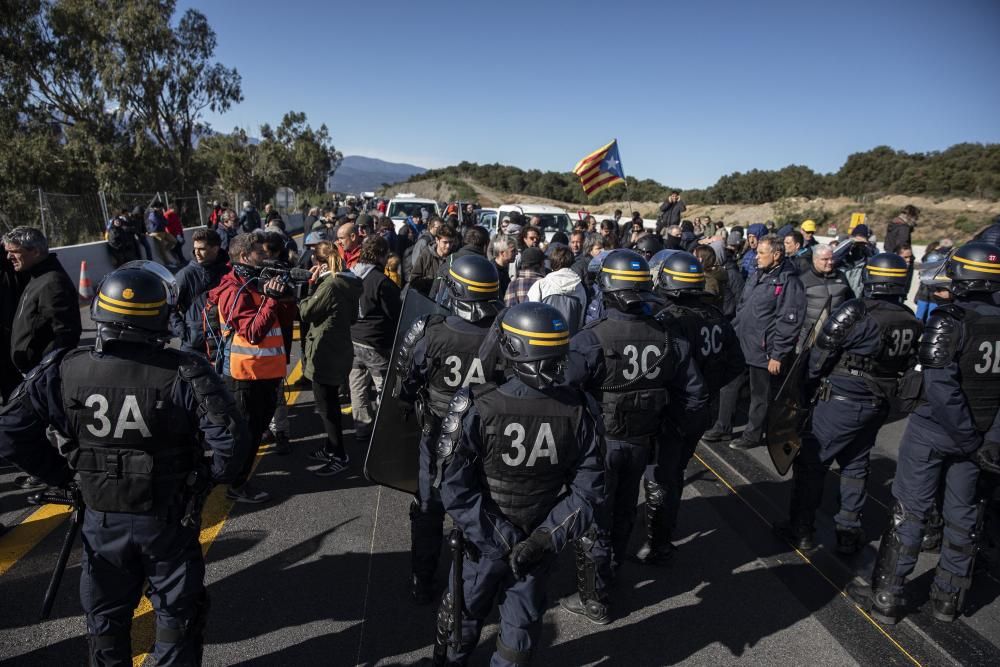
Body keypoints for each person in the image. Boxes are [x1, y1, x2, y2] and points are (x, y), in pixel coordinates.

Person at [0, 262, 251, 665]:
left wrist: (67, 476)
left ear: (100, 311)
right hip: (167, 516)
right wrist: (201, 481)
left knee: (105, 618)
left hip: (101, 516)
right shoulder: (187, 371)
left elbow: (10, 431)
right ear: (161, 317)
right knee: (176, 615)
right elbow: (232, 445)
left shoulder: (64, 368)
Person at [430, 302, 605, 665]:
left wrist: (499, 539)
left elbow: (451, 484)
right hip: (537, 544)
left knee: (459, 622)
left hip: (481, 545)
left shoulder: (477, 404)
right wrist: (541, 539)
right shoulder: (580, 410)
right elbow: (588, 493)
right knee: (518, 639)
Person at [849, 242, 1000, 624]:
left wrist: (967, 436)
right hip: (981, 436)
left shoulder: (950, 320)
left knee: (909, 512)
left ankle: (887, 594)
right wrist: (990, 438)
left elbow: (939, 385)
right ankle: (949, 599)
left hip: (938, 431)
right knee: (963, 516)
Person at [559, 251, 705, 623]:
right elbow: (695, 393)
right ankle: (611, 573)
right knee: (625, 508)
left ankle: (594, 597)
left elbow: (562, 395)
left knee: (594, 516)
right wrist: (668, 427)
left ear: (606, 287)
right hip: (643, 441)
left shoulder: (589, 339)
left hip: (599, 446)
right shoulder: (668, 336)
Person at [775, 254, 922, 552]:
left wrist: (808, 384)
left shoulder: (856, 311)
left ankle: (801, 529)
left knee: (813, 463)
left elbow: (821, 353)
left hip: (841, 400)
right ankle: (848, 531)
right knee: (856, 464)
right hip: (879, 401)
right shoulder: (910, 318)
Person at [395, 255, 502, 603]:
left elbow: (407, 382)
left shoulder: (433, 330)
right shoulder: (505, 334)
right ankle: (472, 584)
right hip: (486, 438)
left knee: (429, 508)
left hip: (437, 434)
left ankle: (422, 580)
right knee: (478, 507)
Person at [638, 251, 742, 565]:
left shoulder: (669, 319)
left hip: (673, 409)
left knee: (659, 475)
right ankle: (663, 533)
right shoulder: (715, 315)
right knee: (676, 471)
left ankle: (658, 543)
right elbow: (735, 364)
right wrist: (708, 387)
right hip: (701, 407)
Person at [208, 233, 293, 503]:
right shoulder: (235, 290)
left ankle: (238, 479)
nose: (266, 256)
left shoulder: (252, 282)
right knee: (246, 434)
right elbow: (253, 332)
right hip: (246, 376)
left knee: (254, 432)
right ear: (245, 257)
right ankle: (237, 484)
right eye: (260, 252)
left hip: (263, 373)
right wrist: (271, 298)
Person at [707, 235, 805, 449]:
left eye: (762, 253)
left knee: (759, 394)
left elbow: (789, 320)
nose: (756, 257)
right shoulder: (757, 275)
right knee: (728, 386)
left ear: (776, 255)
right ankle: (723, 427)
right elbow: (743, 307)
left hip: (764, 350)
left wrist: (778, 354)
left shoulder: (788, 282)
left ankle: (752, 435)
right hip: (741, 343)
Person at [299, 242, 362, 476]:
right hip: (341, 348)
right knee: (332, 402)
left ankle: (339, 455)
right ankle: (330, 446)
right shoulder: (351, 281)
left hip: (324, 352)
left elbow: (305, 312)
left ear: (319, 263)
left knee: (327, 408)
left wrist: (310, 287)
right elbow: (353, 317)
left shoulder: (330, 285)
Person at [4, 226, 82, 375]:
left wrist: (47, 371)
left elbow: (66, 335)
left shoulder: (52, 282)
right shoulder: (36, 276)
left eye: (14, 252)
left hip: (43, 376)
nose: (9, 257)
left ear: (35, 252)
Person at [349, 236, 402, 445]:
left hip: (352, 339)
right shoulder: (381, 282)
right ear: (381, 255)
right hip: (376, 343)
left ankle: (361, 429)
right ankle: (384, 430)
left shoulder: (350, 275)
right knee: (384, 388)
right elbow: (396, 314)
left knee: (357, 387)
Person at [171, 229, 231, 357]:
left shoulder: (228, 273)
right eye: (195, 248)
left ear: (215, 249)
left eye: (202, 249)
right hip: (194, 344)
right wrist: (182, 332)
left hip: (224, 341)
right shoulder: (185, 274)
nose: (196, 253)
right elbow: (169, 305)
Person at [796, 244, 854, 348]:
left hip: (836, 334)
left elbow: (850, 301)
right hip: (809, 335)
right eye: (825, 259)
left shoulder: (841, 276)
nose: (830, 262)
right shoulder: (803, 279)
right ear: (815, 259)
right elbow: (794, 308)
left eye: (832, 258)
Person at [526, 245, 587, 333]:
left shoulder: (541, 285)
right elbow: (581, 322)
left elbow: (531, 314)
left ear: (552, 263)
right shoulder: (580, 287)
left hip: (543, 341)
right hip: (569, 341)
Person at [410, 223, 454, 296]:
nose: (448, 246)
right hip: (426, 299)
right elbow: (414, 279)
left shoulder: (454, 257)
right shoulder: (426, 254)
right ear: (437, 240)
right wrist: (432, 282)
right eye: (445, 242)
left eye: (451, 242)